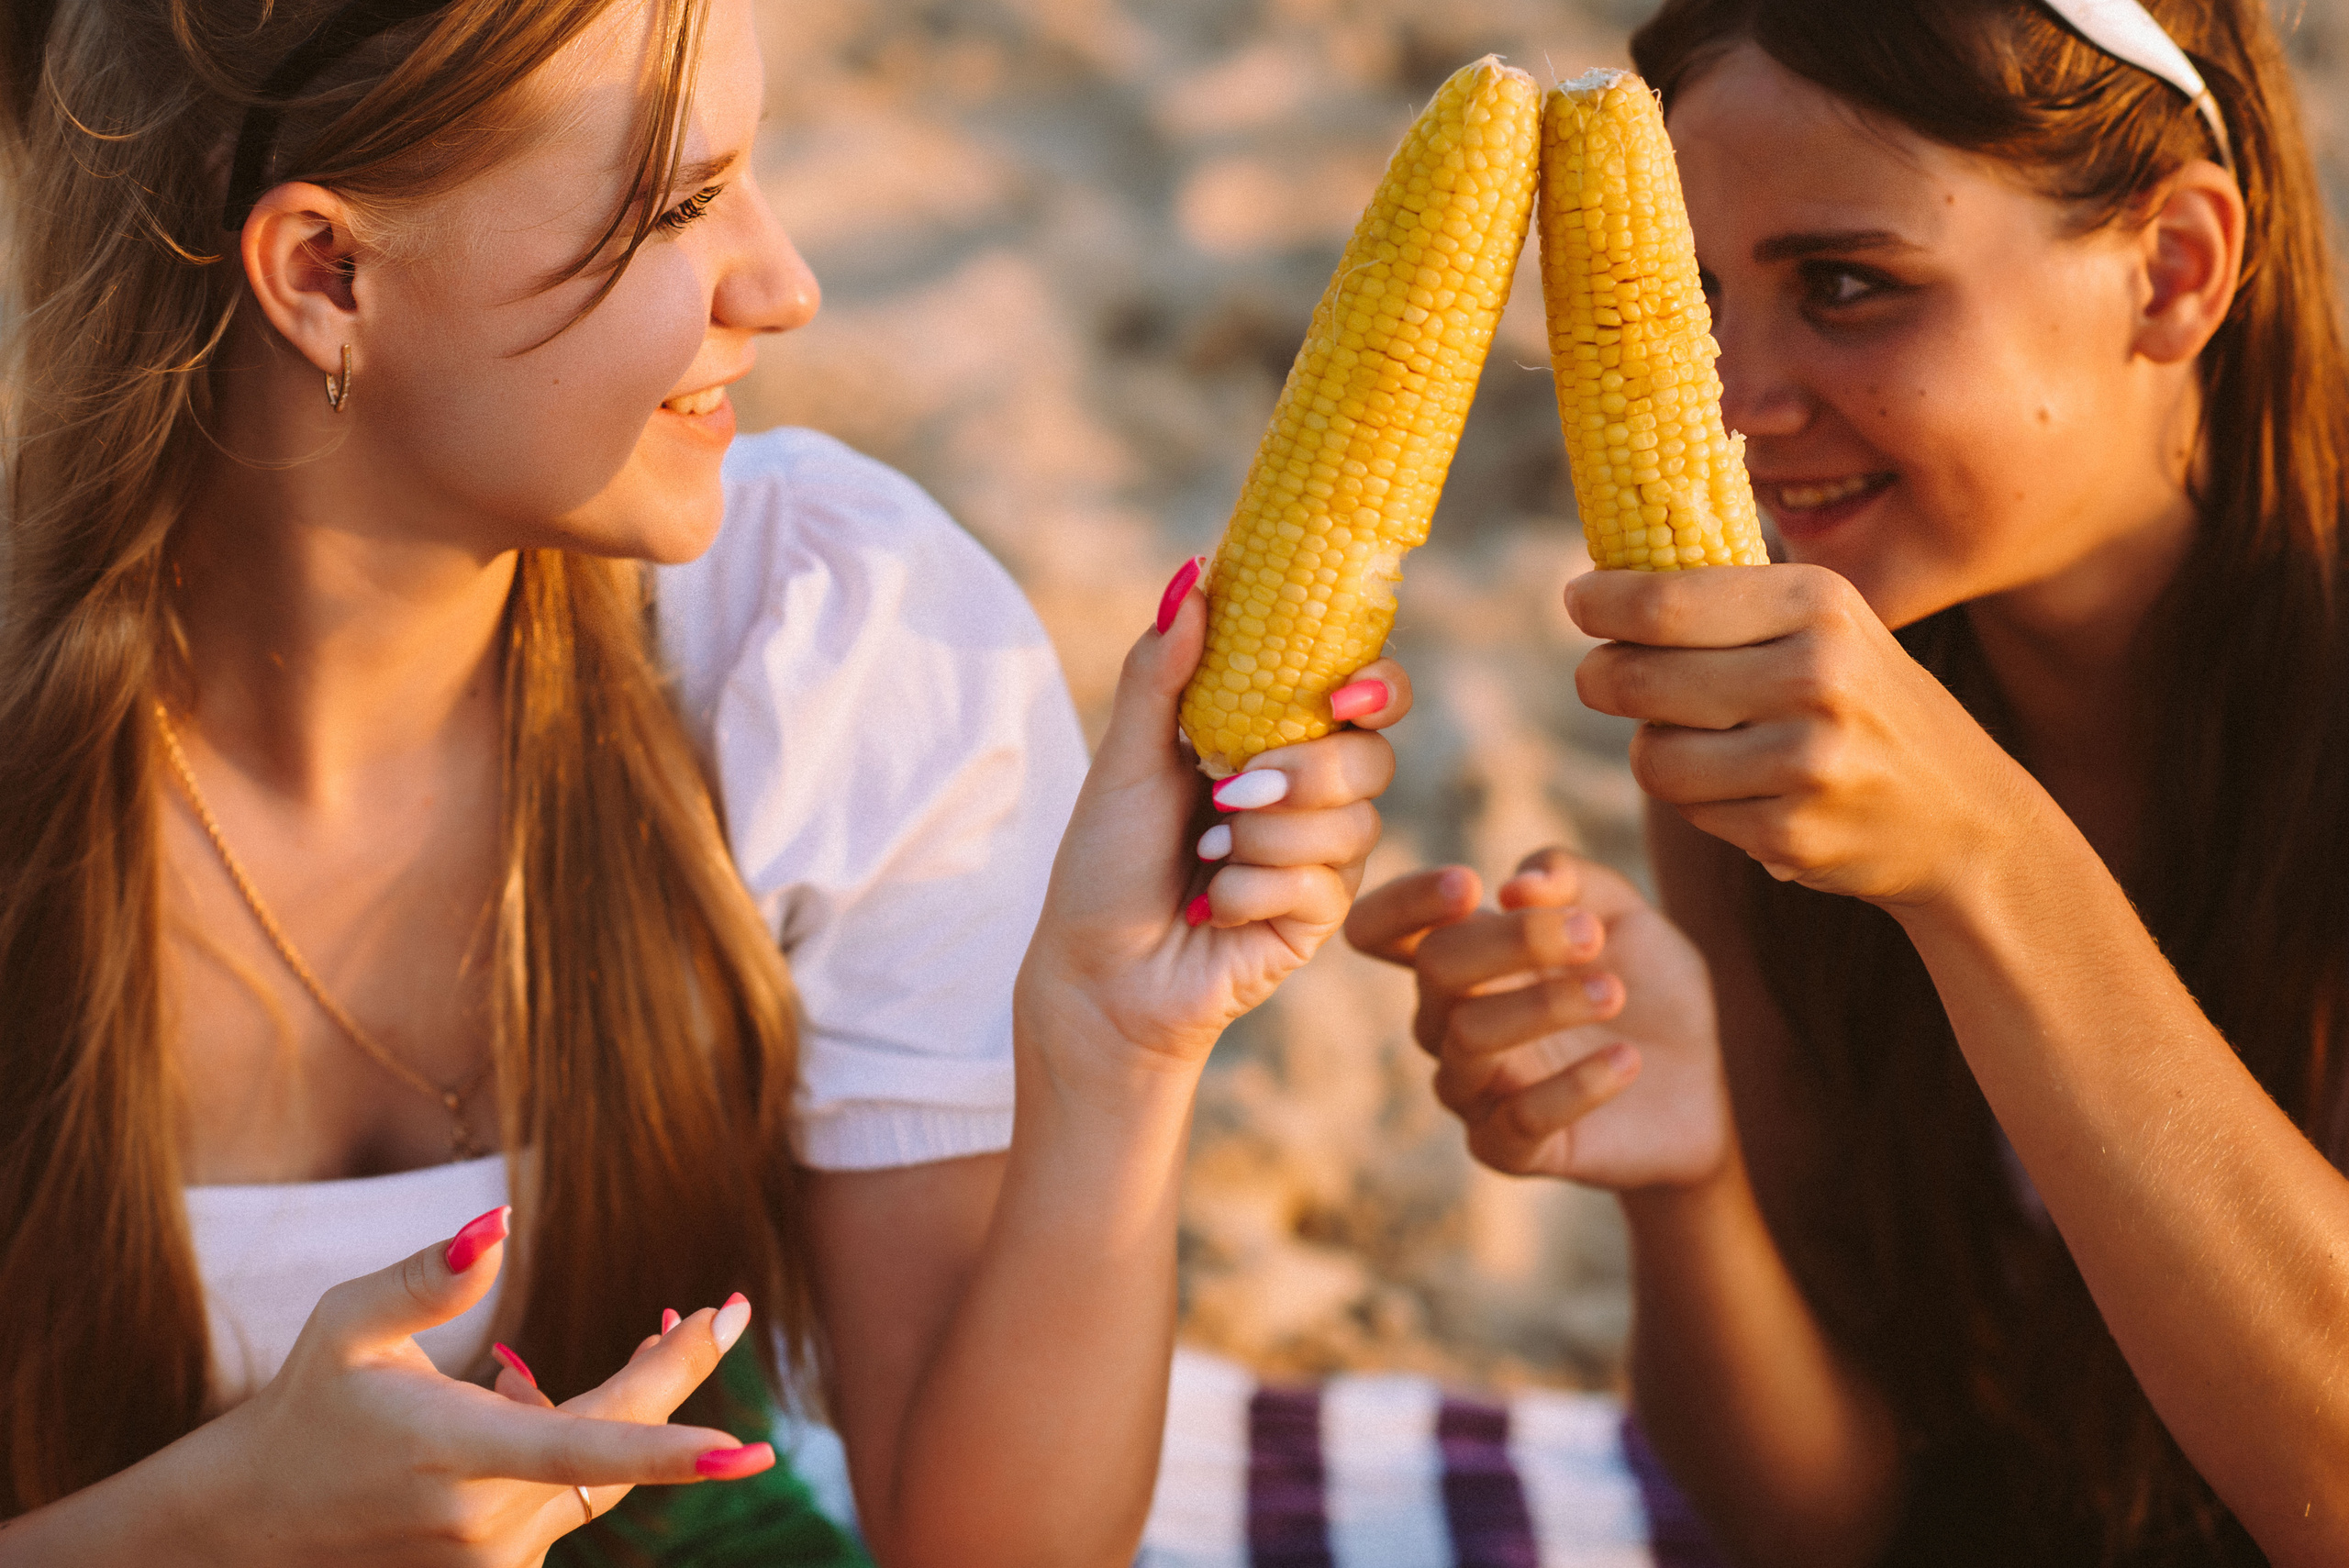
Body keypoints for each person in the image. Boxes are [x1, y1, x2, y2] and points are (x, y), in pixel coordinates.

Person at [0, 1, 1411, 1563]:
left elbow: (984, 1545)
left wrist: (1113, 1046)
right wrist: (206, 1527)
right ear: (330, 275)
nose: (783, 283)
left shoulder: (820, 649)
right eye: (676, 207)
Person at [1348, 0, 2349, 1563]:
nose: (1739, 399)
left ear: (2176, 270)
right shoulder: (1764, 735)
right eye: (1686, 302)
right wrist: (1683, 1177)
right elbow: (1834, 1519)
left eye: (1845, 286)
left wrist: (1990, 863)